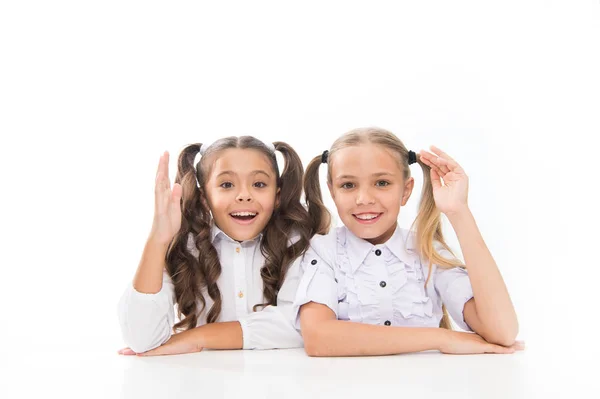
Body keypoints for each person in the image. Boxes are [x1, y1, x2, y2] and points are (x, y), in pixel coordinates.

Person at [295, 127, 522, 356]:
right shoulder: (324, 251)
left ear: (406, 191)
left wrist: (458, 212)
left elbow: (502, 332)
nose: (364, 199)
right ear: (333, 192)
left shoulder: (428, 252)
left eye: (382, 183)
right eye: (348, 185)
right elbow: (317, 338)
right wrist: (441, 338)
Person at [118, 136, 314, 356]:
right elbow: (141, 340)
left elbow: (300, 325)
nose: (244, 195)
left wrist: (198, 337)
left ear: (277, 196)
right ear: (204, 198)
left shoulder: (298, 244)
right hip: (203, 382)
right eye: (226, 185)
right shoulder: (185, 248)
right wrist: (158, 240)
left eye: (259, 184)